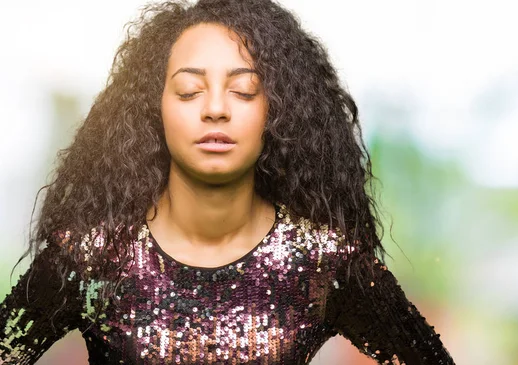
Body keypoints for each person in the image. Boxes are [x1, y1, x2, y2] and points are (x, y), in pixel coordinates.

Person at [0, 0, 456, 364]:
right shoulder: (92, 259)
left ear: (277, 110)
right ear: (153, 109)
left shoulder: (323, 264)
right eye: (189, 91)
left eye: (243, 91)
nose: (215, 108)